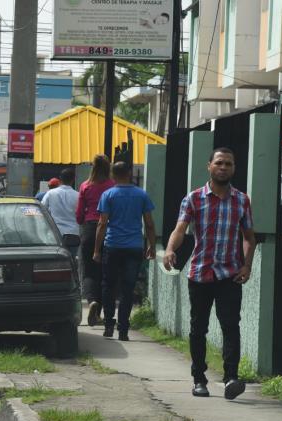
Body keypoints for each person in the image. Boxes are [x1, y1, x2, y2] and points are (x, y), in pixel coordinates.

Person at [163, 147, 256, 401]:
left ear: (234, 168)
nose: (223, 167)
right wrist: (171, 249)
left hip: (230, 274)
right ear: (209, 166)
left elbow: (249, 238)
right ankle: (199, 378)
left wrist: (247, 265)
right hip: (200, 273)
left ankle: (231, 378)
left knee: (230, 326)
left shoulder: (241, 200)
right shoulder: (194, 198)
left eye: (228, 163)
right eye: (219, 163)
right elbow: (180, 228)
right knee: (198, 328)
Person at [92, 162, 156, 341]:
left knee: (108, 285)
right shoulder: (141, 195)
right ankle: (123, 329)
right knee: (128, 289)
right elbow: (149, 223)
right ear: (129, 173)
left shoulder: (108, 195)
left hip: (112, 246)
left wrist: (97, 249)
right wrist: (151, 245)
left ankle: (108, 325)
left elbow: (102, 223)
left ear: (112, 175)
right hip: (134, 247)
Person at [76, 154, 116, 325]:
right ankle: (99, 312)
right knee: (104, 272)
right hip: (108, 230)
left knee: (88, 270)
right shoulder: (112, 186)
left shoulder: (85, 186)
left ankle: (91, 300)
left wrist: (83, 220)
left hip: (89, 229)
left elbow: (78, 214)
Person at [42, 169, 80, 256]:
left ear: (60, 179)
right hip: (73, 234)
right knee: (72, 262)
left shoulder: (50, 193)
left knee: (54, 262)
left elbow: (43, 210)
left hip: (55, 234)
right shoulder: (78, 195)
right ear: (73, 179)